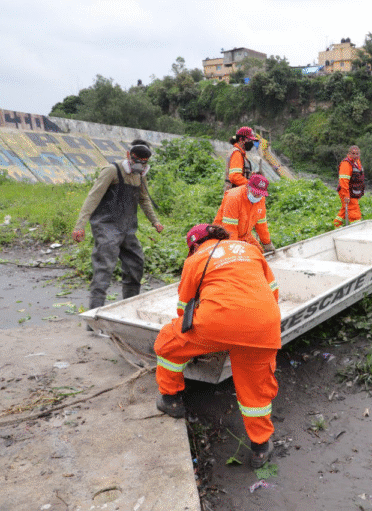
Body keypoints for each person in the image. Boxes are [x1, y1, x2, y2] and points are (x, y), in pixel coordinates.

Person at [154, 224, 281, 468]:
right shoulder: (250, 249)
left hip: (217, 322)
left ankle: (170, 400)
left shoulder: (195, 260)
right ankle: (260, 448)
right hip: (264, 324)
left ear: (194, 245)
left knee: (167, 343)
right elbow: (273, 292)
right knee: (255, 388)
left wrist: (210, 336)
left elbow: (184, 310)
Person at [72, 139, 164, 313]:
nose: (140, 164)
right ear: (128, 155)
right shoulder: (111, 171)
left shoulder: (140, 175)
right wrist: (80, 225)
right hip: (106, 227)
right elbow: (93, 197)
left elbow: (144, 199)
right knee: (104, 269)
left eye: (144, 161)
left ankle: (129, 310)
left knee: (136, 265)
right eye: (137, 159)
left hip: (128, 229)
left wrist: (155, 221)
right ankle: (94, 316)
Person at [213, 173, 275, 253]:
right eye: (255, 193)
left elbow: (261, 225)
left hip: (245, 236)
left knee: (260, 254)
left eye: (260, 194)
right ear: (248, 187)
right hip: (223, 237)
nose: (257, 196)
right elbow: (229, 229)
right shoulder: (234, 197)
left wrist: (267, 244)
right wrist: (234, 250)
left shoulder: (260, 199)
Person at [333, 145, 365, 228]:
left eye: (357, 154)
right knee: (354, 212)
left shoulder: (357, 162)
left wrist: (359, 193)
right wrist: (346, 195)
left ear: (359, 154)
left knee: (345, 209)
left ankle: (336, 225)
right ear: (349, 154)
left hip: (354, 191)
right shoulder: (346, 163)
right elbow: (343, 181)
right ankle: (357, 228)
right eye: (353, 153)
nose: (355, 155)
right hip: (347, 191)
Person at [224, 126, 259, 193]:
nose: (251, 143)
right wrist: (251, 185)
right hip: (235, 196)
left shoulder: (241, 153)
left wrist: (249, 175)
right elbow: (235, 176)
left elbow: (240, 172)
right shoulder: (237, 153)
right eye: (249, 140)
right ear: (241, 139)